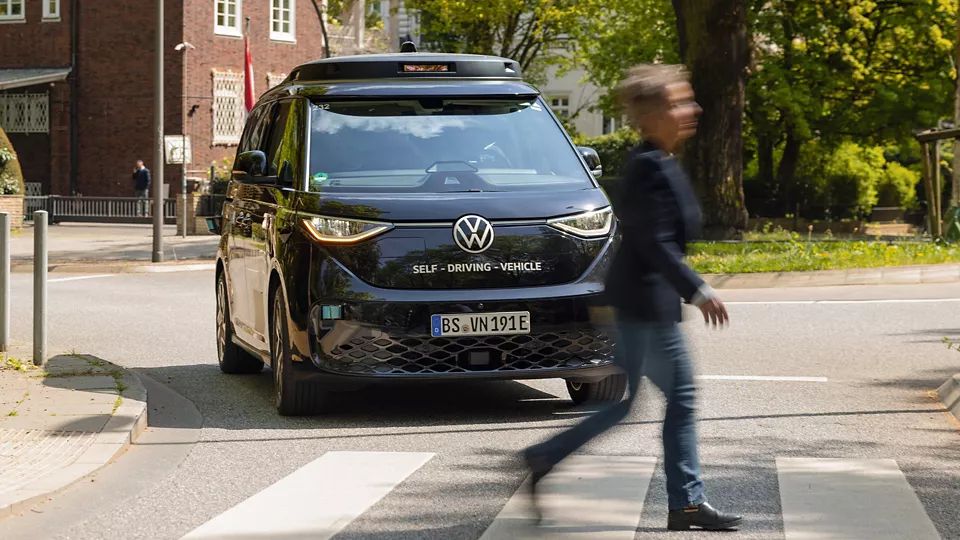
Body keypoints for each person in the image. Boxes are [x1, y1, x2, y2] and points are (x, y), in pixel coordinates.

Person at [522, 64, 742, 532]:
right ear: (652, 114)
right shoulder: (647, 168)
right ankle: (685, 502)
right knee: (679, 399)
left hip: (642, 303)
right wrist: (698, 290)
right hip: (646, 306)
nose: (692, 109)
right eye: (680, 102)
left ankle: (545, 457)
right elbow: (654, 241)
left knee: (624, 405)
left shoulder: (658, 162)